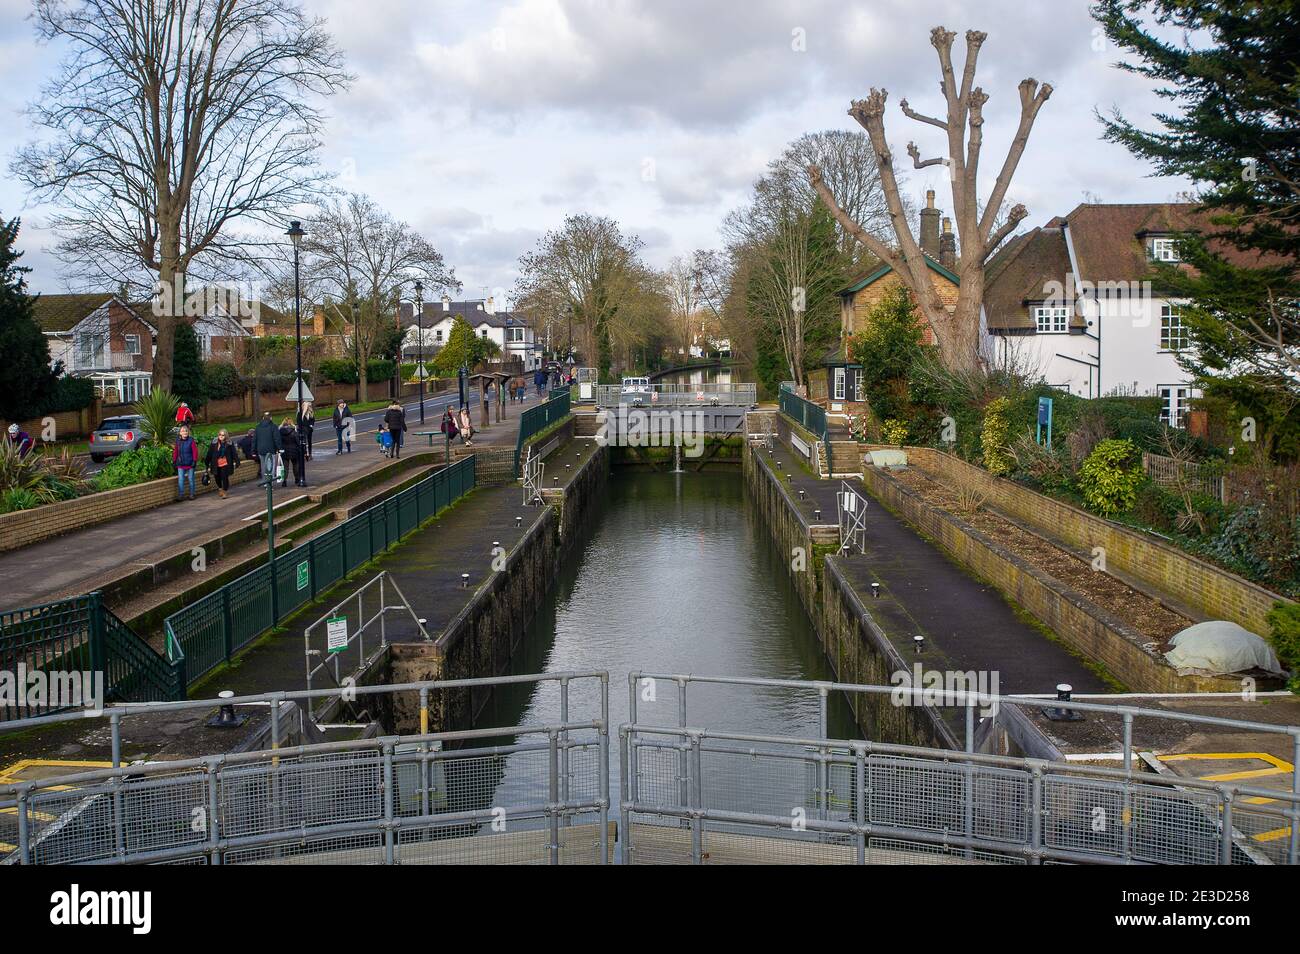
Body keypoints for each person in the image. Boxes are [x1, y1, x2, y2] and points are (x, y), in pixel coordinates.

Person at [204, 428, 239, 499]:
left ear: (226, 436)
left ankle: (224, 491)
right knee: (217, 478)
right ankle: (220, 488)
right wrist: (207, 462)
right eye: (220, 435)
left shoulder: (229, 443)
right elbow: (210, 453)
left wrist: (237, 461)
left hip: (225, 464)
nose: (221, 436)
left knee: (224, 477)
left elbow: (234, 453)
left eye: (223, 435)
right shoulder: (214, 442)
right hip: (216, 464)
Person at [253, 412, 282, 488]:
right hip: (270, 449)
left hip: (260, 450)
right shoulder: (273, 426)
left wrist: (253, 451)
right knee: (270, 466)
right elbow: (277, 439)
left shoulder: (258, 427)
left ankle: (264, 481)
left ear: (263, 418)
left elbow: (254, 439)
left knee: (263, 466)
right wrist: (280, 448)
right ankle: (269, 482)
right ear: (271, 418)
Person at [173, 424, 199, 500]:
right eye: (183, 431)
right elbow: (175, 452)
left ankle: (192, 494)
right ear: (180, 433)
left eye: (186, 431)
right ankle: (181, 495)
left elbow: (195, 452)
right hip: (180, 464)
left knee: (191, 479)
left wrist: (194, 460)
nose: (185, 432)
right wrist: (174, 461)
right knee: (180, 480)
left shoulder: (191, 440)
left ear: (188, 432)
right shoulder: (178, 441)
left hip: (190, 463)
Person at [279, 416, 304, 487]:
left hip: (284, 451)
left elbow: (279, 442)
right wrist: (301, 449)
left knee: (285, 467)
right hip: (294, 450)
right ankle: (297, 479)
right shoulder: (294, 431)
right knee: (296, 465)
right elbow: (297, 441)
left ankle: (284, 481)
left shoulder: (280, 431)